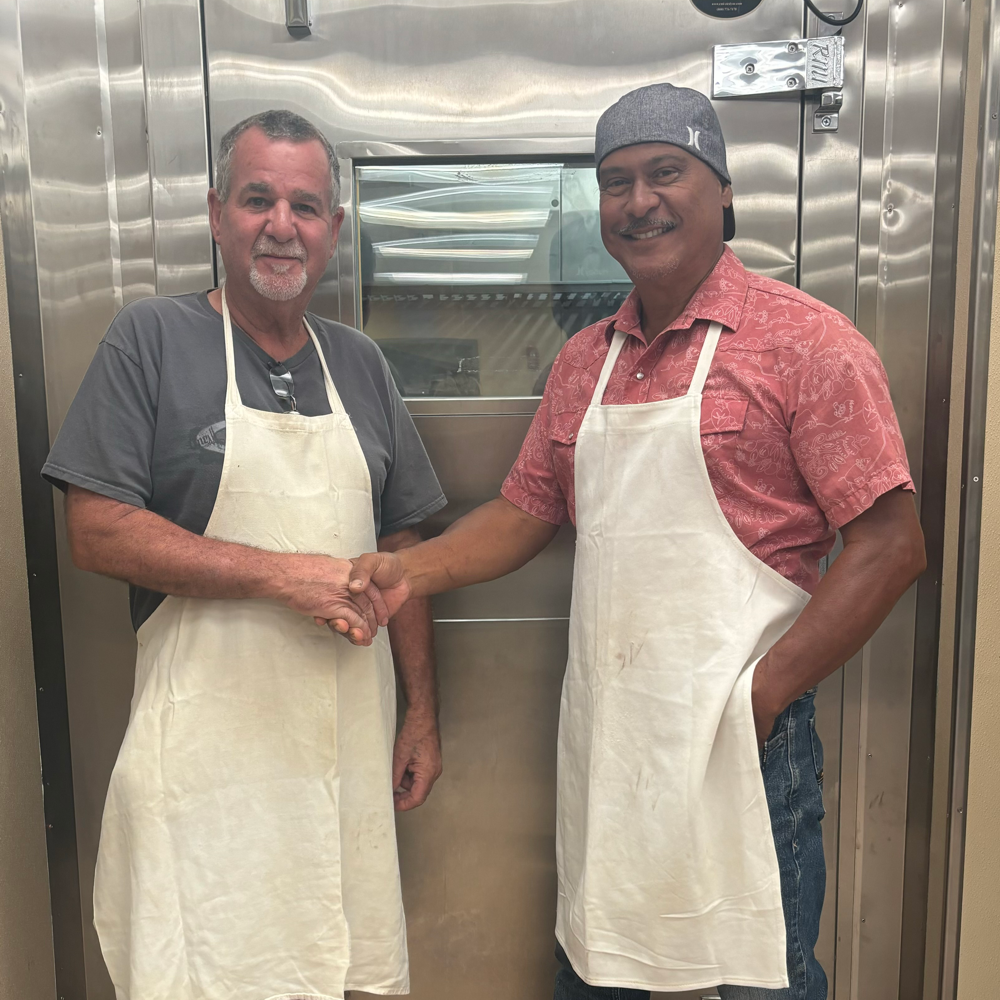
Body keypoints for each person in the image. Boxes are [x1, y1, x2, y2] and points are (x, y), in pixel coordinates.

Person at [344, 85, 927, 1000]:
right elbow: (526, 512)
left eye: (666, 173)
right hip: (614, 748)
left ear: (723, 191)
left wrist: (760, 700)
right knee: (602, 972)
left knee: (754, 981)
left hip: (744, 746)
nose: (639, 201)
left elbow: (891, 546)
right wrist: (406, 571)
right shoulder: (586, 360)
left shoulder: (807, 343)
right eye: (616, 182)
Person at [42, 110, 446, 999]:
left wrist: (420, 711)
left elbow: (402, 549)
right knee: (211, 964)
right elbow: (97, 528)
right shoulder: (148, 339)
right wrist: (284, 576)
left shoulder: (362, 366)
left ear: (334, 230)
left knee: (338, 965)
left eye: (305, 206)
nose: (281, 225)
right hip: (209, 766)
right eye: (258, 199)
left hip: (346, 747)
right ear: (217, 211)